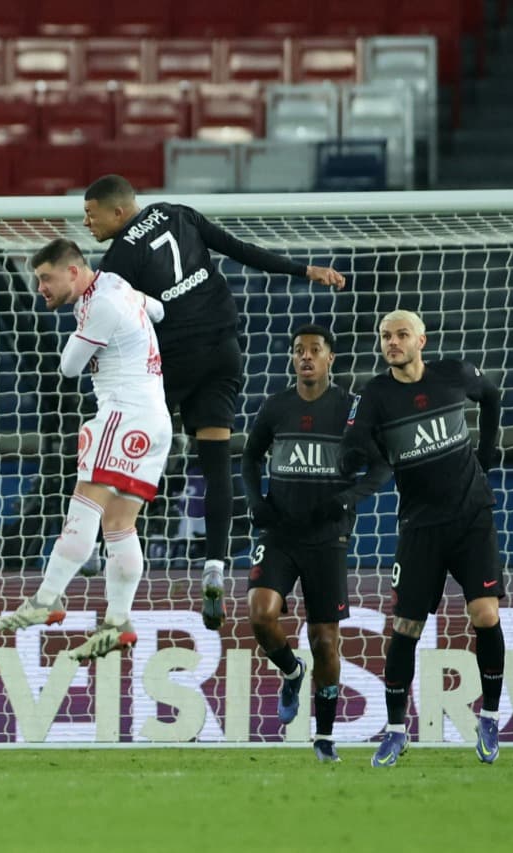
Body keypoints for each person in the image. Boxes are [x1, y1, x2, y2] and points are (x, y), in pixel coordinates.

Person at [82, 174, 347, 631]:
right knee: (216, 461)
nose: (86, 222)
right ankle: (215, 568)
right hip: (222, 353)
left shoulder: (119, 258)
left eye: (91, 214)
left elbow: (111, 319)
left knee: (120, 440)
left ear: (119, 212)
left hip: (170, 362)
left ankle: (93, 543)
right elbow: (240, 249)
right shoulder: (179, 214)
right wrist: (305, 271)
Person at [0, 238, 173, 661]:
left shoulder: (102, 305)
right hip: (154, 421)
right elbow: (160, 310)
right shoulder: (116, 285)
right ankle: (117, 622)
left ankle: (48, 598)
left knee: (84, 508)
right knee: (119, 523)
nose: (40, 287)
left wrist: (92, 326)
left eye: (45, 278)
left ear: (72, 271)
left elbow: (68, 367)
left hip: (122, 413)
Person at [340, 310, 504, 767]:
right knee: (406, 629)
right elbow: (355, 443)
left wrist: (486, 458)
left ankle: (489, 717)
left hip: (472, 517)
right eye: (385, 336)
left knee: (485, 614)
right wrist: (357, 459)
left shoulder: (454, 374)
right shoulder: (374, 395)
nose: (392, 342)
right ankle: (395, 731)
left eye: (401, 335)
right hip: (419, 526)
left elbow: (491, 396)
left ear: (421, 340)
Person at [241, 324, 391, 762]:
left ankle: (324, 737)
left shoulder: (352, 410)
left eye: (314, 350)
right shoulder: (276, 407)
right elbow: (250, 456)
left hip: (327, 538)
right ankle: (291, 671)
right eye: (298, 351)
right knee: (260, 613)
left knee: (325, 641)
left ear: (330, 359)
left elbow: (382, 468)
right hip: (280, 532)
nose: (305, 357)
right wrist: (257, 501)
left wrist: (348, 499)